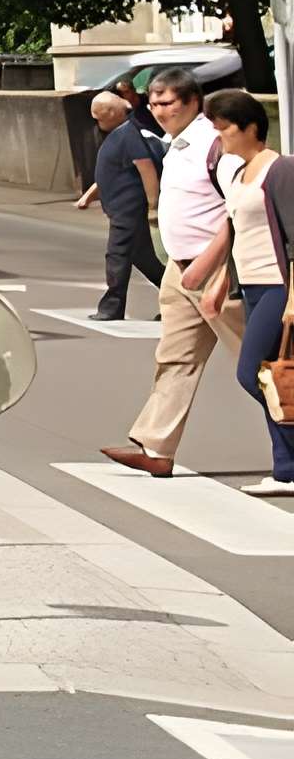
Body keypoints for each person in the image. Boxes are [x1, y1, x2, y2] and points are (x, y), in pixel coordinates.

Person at [107, 67, 240, 476]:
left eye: (167, 102)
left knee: (262, 362)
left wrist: (209, 264)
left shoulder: (214, 145)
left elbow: (240, 207)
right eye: (153, 102)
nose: (158, 110)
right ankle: (156, 448)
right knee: (174, 359)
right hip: (181, 272)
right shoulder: (177, 144)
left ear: (193, 102)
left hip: (216, 271)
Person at [203, 91, 294, 496]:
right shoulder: (238, 173)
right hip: (254, 283)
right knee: (275, 376)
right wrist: (222, 278)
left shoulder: (280, 170)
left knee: (252, 373)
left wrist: (293, 296)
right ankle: (286, 469)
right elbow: (238, 230)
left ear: (250, 127)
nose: (218, 134)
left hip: (280, 284)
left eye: (223, 125)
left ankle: (289, 466)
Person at [75, 86, 165, 323]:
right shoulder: (121, 134)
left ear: (113, 113)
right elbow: (113, 171)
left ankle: (112, 307)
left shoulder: (129, 134)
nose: (95, 119)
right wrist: (90, 195)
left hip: (130, 210)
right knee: (144, 258)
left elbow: (146, 168)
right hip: (123, 209)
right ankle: (177, 299)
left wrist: (153, 205)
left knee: (117, 256)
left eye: (99, 114)